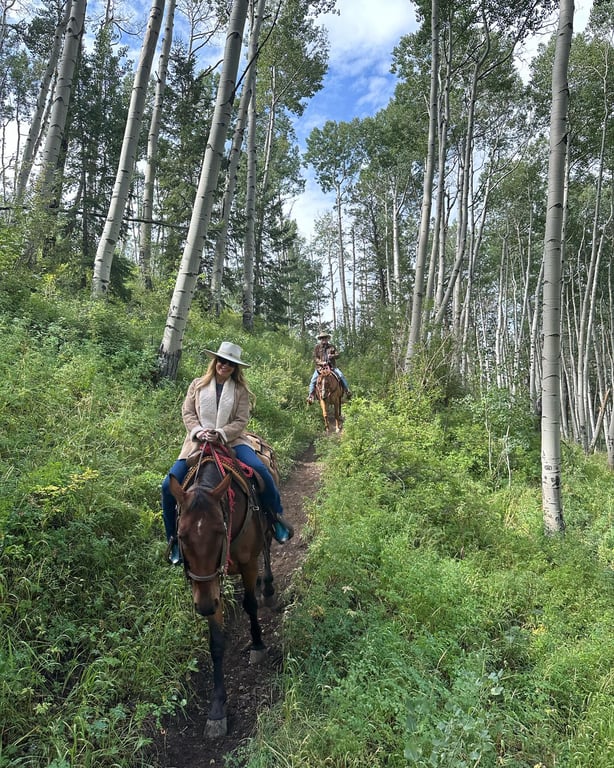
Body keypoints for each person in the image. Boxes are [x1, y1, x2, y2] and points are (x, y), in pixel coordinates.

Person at [161, 341, 292, 564]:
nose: (225, 365)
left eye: (230, 363)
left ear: (235, 367)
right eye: (222, 360)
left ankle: (274, 517)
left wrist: (221, 433)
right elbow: (188, 413)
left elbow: (241, 420)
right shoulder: (197, 385)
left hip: (231, 441)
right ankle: (173, 539)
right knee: (167, 486)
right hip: (197, 443)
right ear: (215, 361)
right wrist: (199, 431)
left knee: (261, 469)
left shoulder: (240, 391)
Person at [307, 331, 352, 404]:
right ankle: (311, 396)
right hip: (320, 368)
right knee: (313, 380)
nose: (324, 339)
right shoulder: (317, 347)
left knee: (341, 375)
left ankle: (347, 391)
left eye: (325, 338)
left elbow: (338, 355)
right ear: (320, 339)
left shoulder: (332, 347)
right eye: (322, 338)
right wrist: (321, 362)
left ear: (327, 339)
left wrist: (332, 356)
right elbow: (315, 358)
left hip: (332, 367)